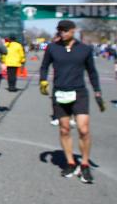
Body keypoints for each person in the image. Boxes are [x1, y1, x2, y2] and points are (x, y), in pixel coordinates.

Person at [39, 20, 104, 184]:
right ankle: (70, 162)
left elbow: (92, 71)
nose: (63, 33)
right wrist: (43, 81)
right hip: (60, 92)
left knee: (83, 129)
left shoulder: (84, 49)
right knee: (64, 129)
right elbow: (44, 66)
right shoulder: (53, 48)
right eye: (60, 30)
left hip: (79, 92)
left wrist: (97, 92)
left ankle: (84, 164)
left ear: (73, 31)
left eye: (66, 30)